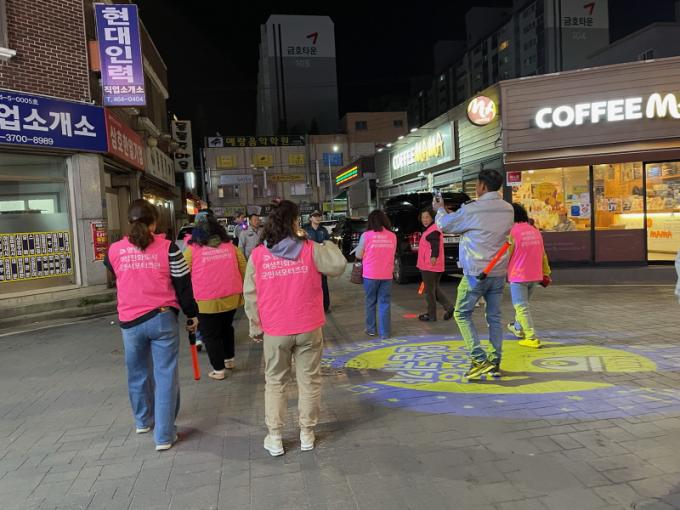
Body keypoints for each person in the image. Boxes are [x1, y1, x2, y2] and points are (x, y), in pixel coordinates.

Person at [243, 200, 345, 456]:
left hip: (275, 329)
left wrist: (255, 326)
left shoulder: (258, 255)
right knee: (309, 381)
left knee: (275, 382)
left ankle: (275, 437)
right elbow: (338, 265)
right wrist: (326, 243)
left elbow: (250, 294)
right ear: (294, 222)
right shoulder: (310, 248)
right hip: (308, 326)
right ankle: (307, 433)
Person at [104, 199, 199, 451]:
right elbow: (183, 285)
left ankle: (143, 421)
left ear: (129, 222)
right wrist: (192, 314)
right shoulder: (169, 248)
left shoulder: (114, 250)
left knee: (136, 373)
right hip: (161, 319)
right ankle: (164, 436)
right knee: (165, 375)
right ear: (154, 223)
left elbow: (114, 272)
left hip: (130, 322)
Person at [434, 169, 513, 379]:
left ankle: (479, 359)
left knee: (461, 313)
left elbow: (444, 225)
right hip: (497, 271)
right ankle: (494, 362)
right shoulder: (508, 209)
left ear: (483, 186)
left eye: (477, 184)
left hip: (475, 273)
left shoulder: (472, 209)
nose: (476, 188)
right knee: (494, 317)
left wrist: (440, 210)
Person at [185, 214, 246, 380]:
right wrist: (243, 288)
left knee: (210, 335)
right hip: (231, 297)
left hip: (206, 301)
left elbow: (183, 272)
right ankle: (229, 360)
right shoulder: (230, 247)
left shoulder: (193, 250)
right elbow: (243, 266)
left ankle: (218, 370)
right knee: (227, 328)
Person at [506, 203, 552, 348]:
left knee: (521, 306)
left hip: (518, 275)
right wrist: (546, 272)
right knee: (523, 305)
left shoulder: (512, 232)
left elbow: (506, 254)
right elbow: (543, 254)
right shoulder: (534, 231)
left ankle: (531, 337)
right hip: (535, 275)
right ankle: (518, 328)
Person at [355, 210, 397, 338]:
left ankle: (371, 329)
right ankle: (385, 333)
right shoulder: (392, 236)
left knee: (370, 302)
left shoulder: (366, 235)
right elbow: (393, 253)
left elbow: (359, 255)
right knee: (384, 303)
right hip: (387, 274)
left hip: (370, 275)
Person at [417, 207, 455, 322]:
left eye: (427, 217)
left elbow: (435, 245)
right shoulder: (430, 229)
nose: (425, 220)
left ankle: (431, 315)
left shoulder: (433, 230)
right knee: (434, 289)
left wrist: (434, 256)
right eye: (423, 217)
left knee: (429, 291)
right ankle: (449, 307)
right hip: (432, 265)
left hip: (430, 265)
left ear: (432, 218)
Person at [304, 210, 332, 312]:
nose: (317, 218)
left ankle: (325, 306)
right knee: (310, 283)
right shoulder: (305, 230)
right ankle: (312, 306)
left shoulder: (323, 230)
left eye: (319, 216)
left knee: (323, 283)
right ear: (310, 218)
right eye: (315, 216)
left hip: (322, 260)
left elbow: (328, 242)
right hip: (309, 260)